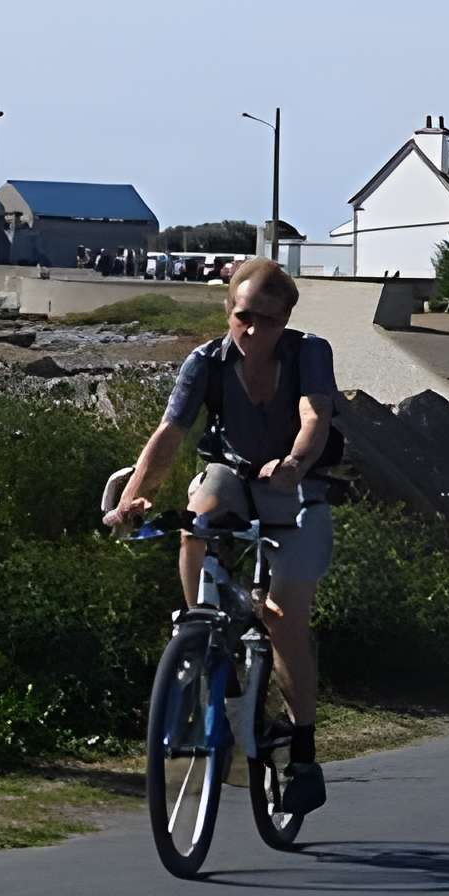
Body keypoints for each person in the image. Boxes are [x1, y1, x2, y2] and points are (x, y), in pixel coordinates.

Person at [105, 256, 337, 814]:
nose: (254, 331)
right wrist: (136, 495)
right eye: (244, 316)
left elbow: (314, 416)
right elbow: (170, 432)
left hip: (294, 483)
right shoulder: (205, 361)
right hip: (232, 471)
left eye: (270, 321)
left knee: (283, 617)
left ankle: (302, 751)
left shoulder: (310, 353)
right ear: (228, 310)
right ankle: (202, 631)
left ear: (287, 320)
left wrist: (295, 463)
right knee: (197, 518)